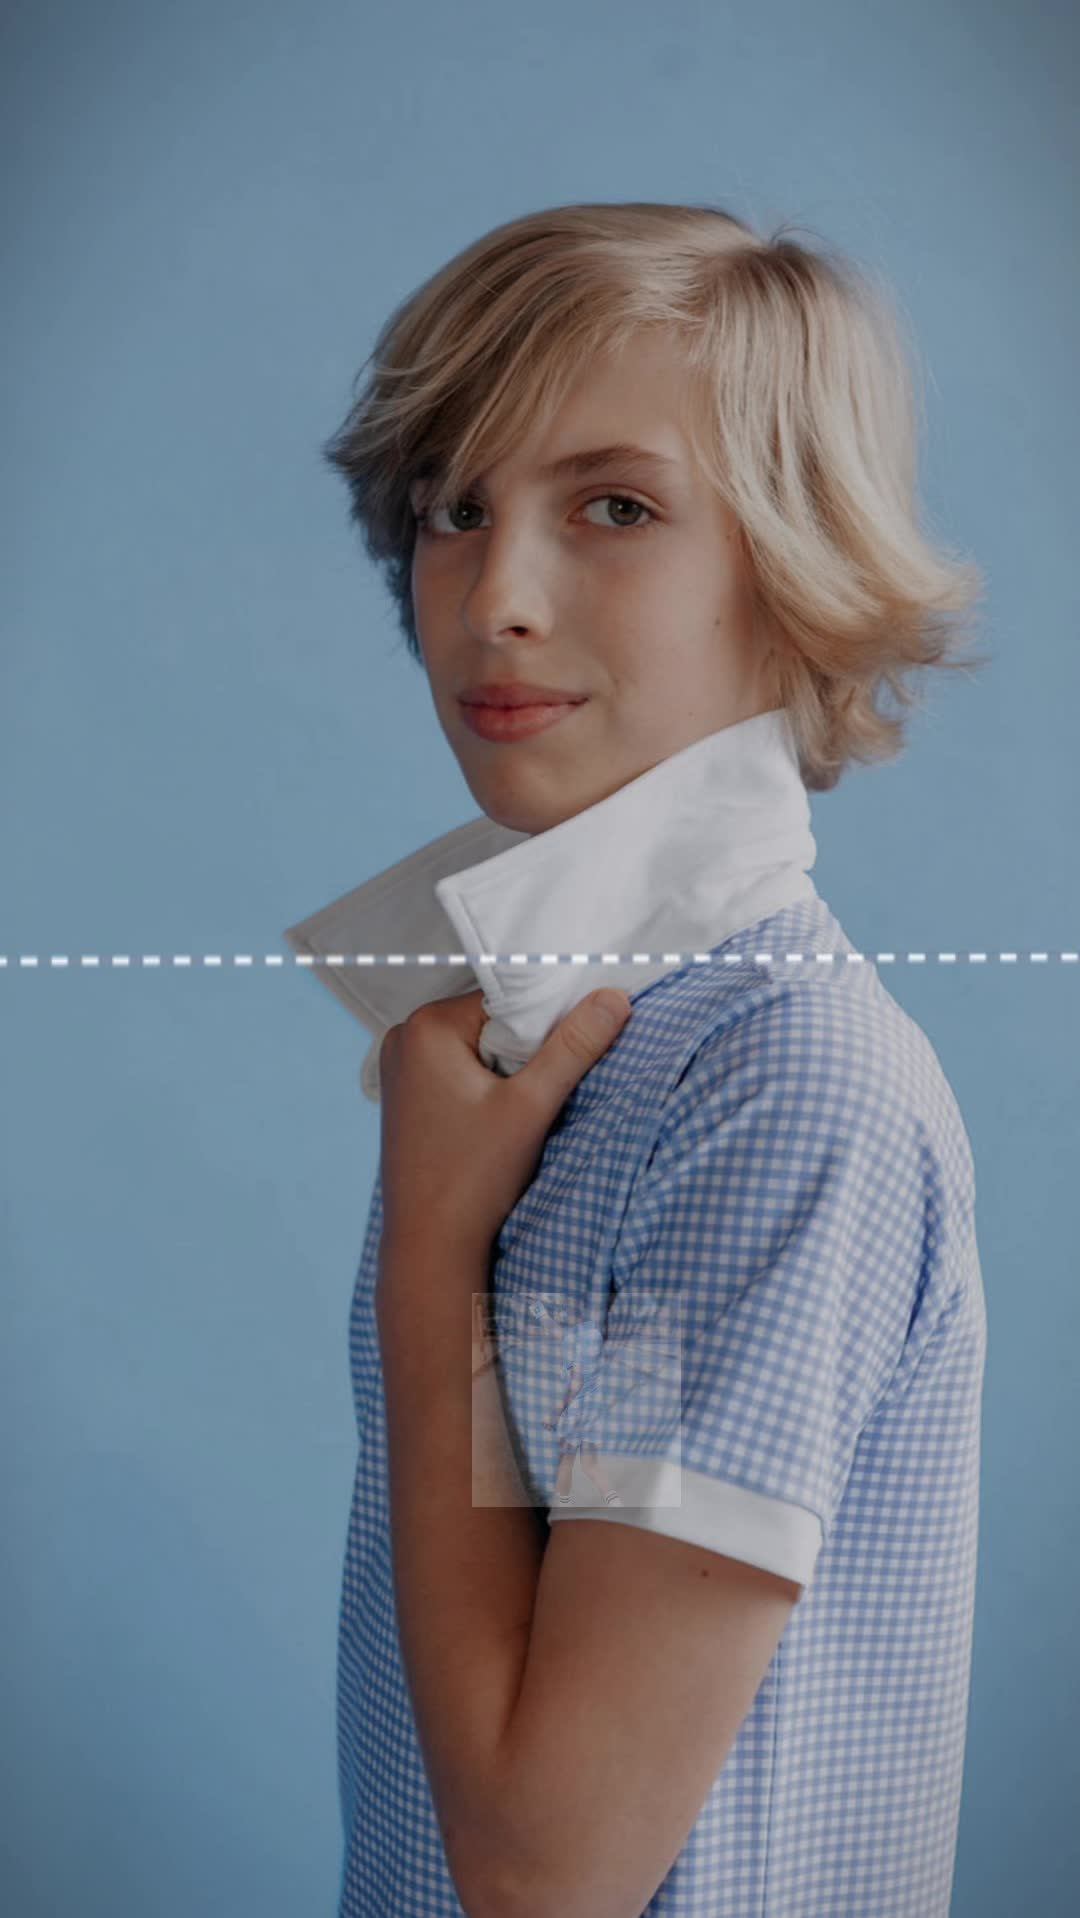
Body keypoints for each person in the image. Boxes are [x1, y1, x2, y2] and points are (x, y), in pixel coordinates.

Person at [285, 200, 989, 1918]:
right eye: (454, 508)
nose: (495, 599)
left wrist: (434, 1265)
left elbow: (547, 1869)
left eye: (615, 507)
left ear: (792, 569)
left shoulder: (776, 1086)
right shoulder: (538, 1040)